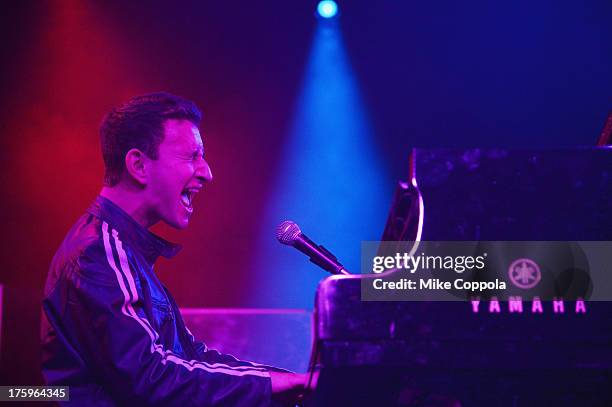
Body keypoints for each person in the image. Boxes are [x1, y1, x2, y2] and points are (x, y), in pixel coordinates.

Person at [41, 92, 313, 406]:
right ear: (139, 165)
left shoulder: (120, 250)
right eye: (192, 156)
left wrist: (289, 382)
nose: (207, 172)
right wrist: (280, 384)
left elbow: (191, 357)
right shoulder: (99, 252)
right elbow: (151, 377)